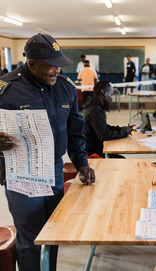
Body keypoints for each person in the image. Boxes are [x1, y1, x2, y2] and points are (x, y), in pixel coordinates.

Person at [0, 33, 95, 271]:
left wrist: (81, 162)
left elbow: (75, 130)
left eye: (59, 64)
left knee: (52, 233)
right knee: (31, 236)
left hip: (52, 169)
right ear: (31, 63)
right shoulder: (6, 89)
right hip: (21, 173)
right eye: (51, 65)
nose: (57, 70)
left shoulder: (65, 88)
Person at [83, 80, 133, 158]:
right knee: (122, 160)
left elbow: (103, 127)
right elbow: (104, 135)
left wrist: (119, 129)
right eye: (111, 94)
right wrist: (124, 133)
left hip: (93, 148)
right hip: (92, 153)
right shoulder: (95, 110)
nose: (111, 98)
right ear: (104, 93)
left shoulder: (94, 107)